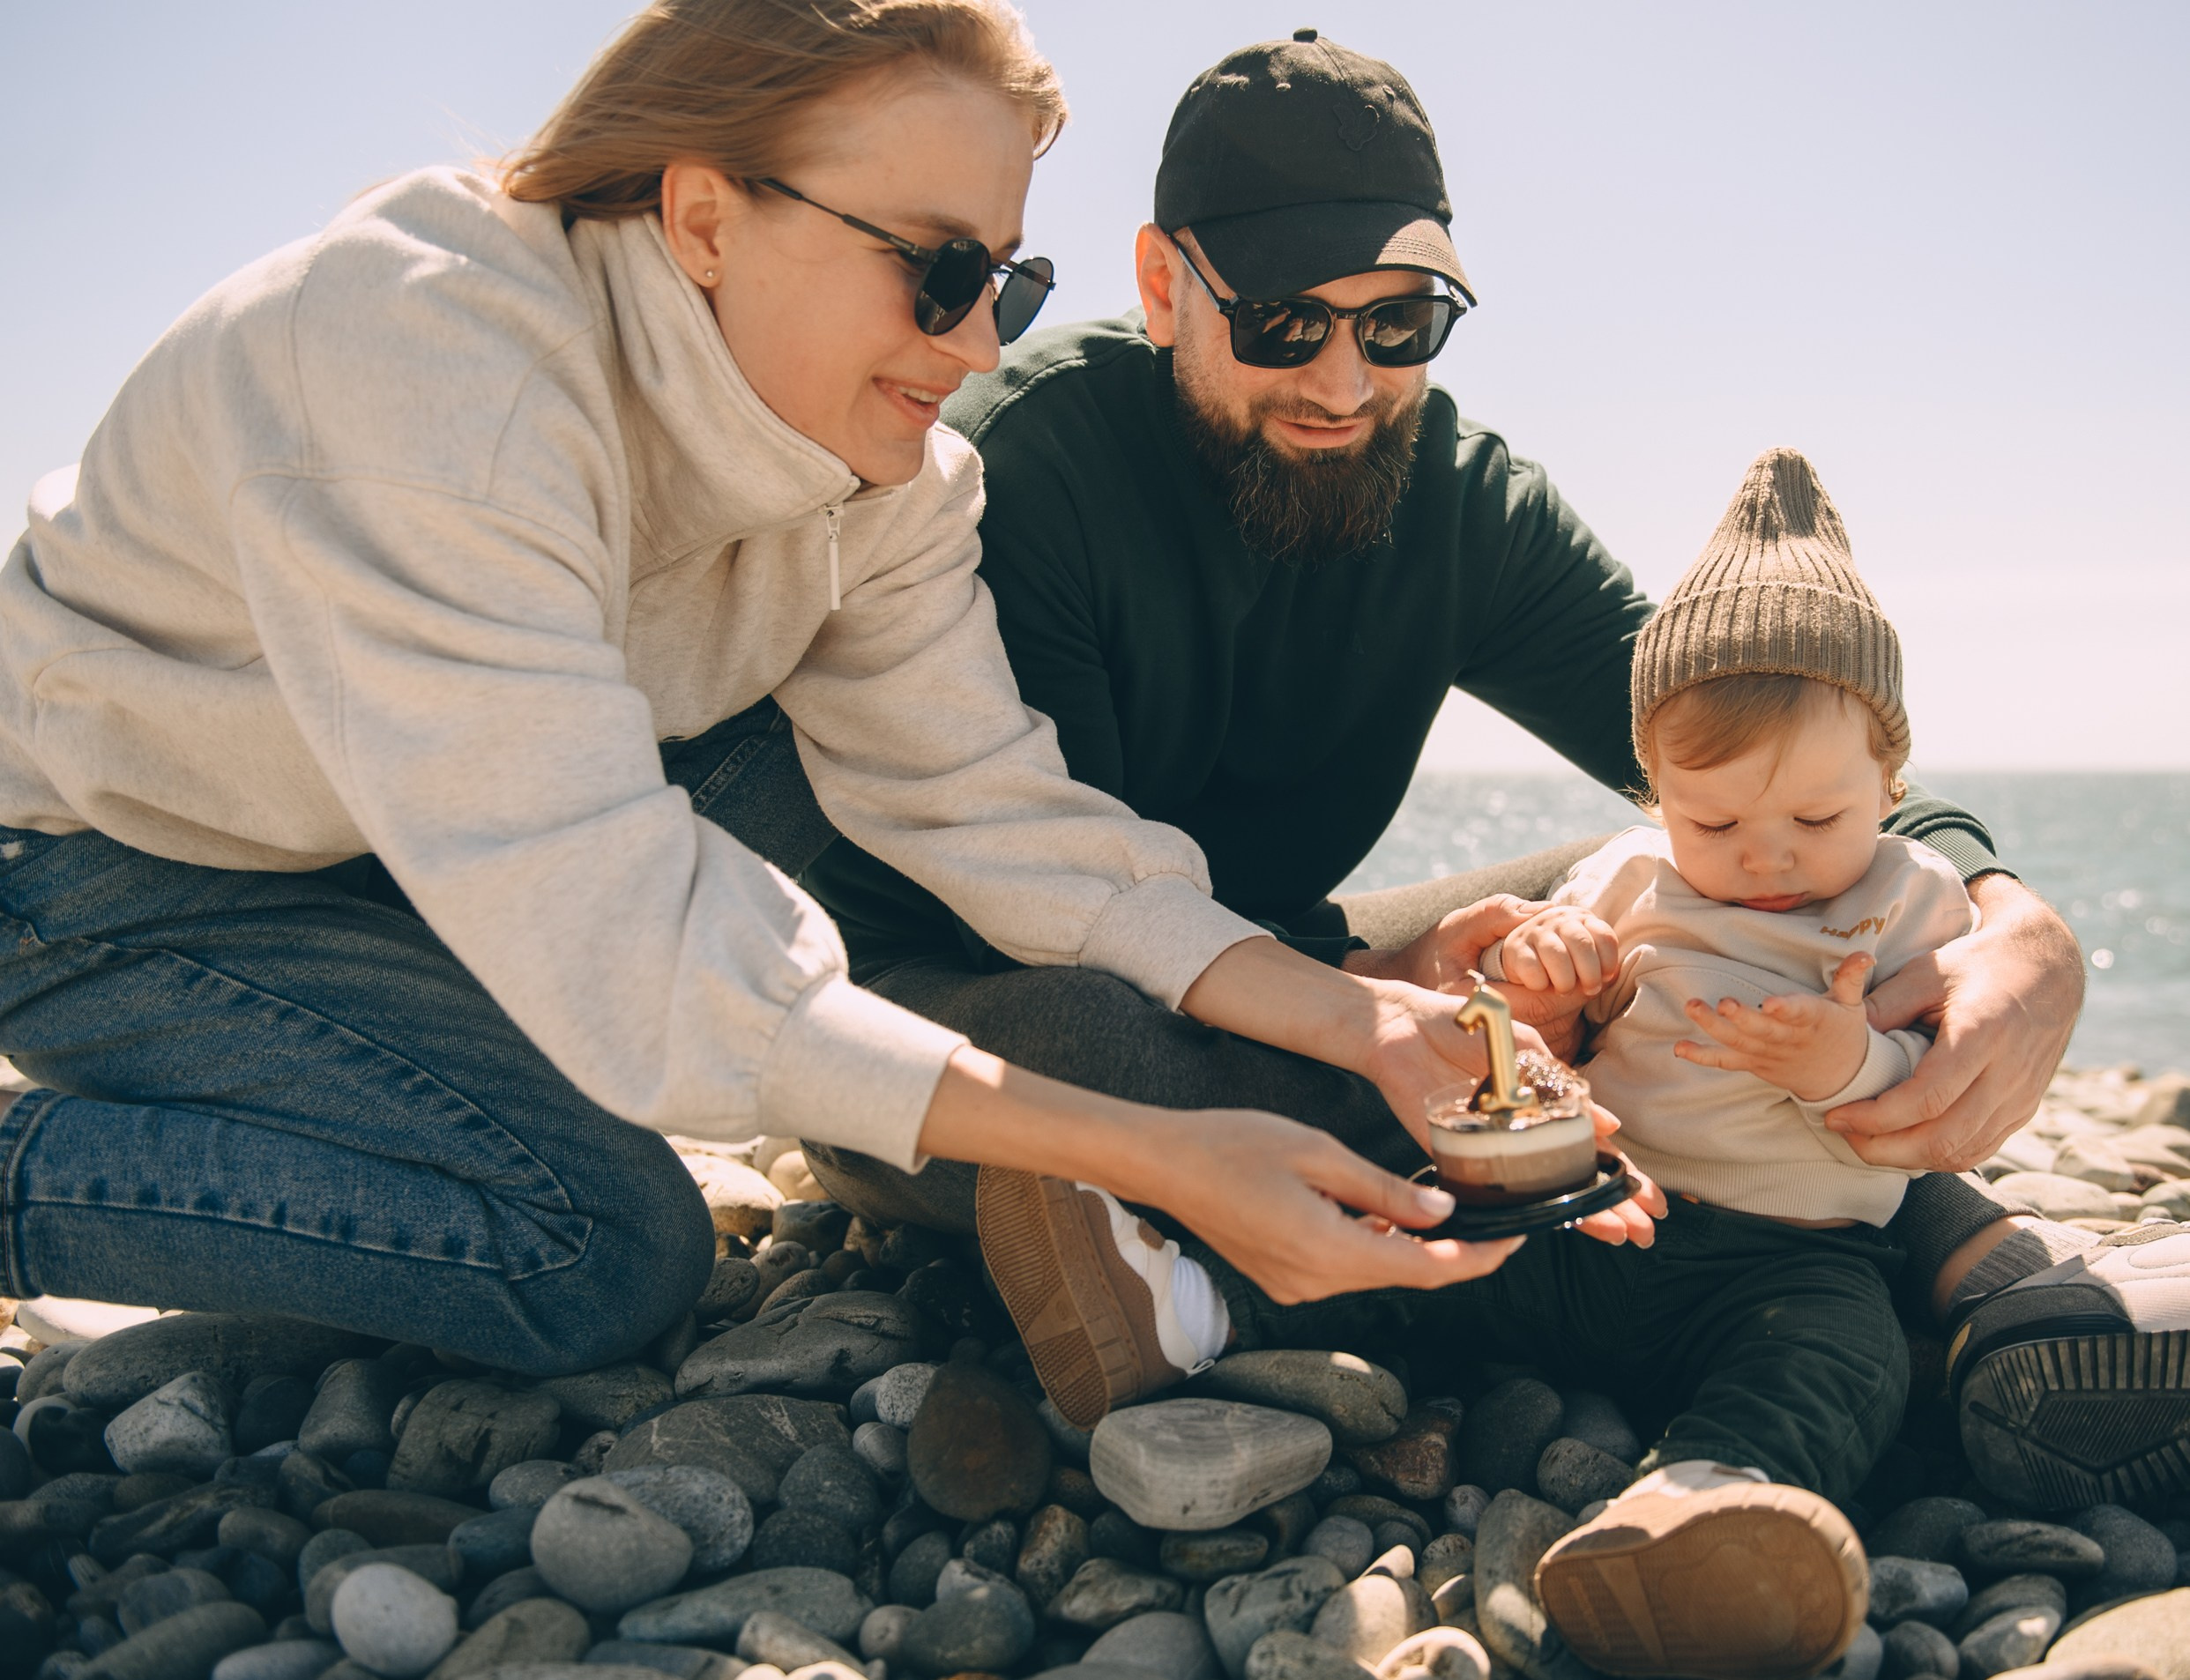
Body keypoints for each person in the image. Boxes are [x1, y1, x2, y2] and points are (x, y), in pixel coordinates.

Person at [0, 0, 1583, 1372]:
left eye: (1007, 290)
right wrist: (1161, 1153)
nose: (973, 348)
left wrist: (1360, 1020)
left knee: (829, 807)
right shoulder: (425, 362)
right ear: (702, 220)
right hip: (114, 871)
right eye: (938, 272)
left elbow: (992, 811)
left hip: (406, 837)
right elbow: (616, 922)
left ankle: (743, 1090)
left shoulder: (887, 473)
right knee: (604, 1252)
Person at [798, 27, 2189, 1501]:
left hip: (1290, 977)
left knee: (1702, 873)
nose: (1344, 378)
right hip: (974, 1006)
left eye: (1400, 323)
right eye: (1282, 321)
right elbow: (1060, 898)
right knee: (1106, 1041)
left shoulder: (1457, 493)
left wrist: (1999, 906)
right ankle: (1895, 1272)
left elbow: (1747, 738)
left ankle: (1876, 1257)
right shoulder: (1034, 463)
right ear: (1161, 286)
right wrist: (1398, 1007)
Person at [1450, 447, 1960, 1678]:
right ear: (1655, 787)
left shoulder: (1909, 899)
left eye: (1819, 819)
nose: (1767, 857)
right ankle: (1192, 1301)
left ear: (1891, 781)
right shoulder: (1631, 878)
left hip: (1790, 1259)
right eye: (1715, 821)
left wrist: (1852, 1057)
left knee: (1847, 1361)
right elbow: (1514, 1039)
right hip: (1597, 1217)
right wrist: (1550, 975)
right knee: (1419, 1236)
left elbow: (1949, 1097)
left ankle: (1692, 1509)